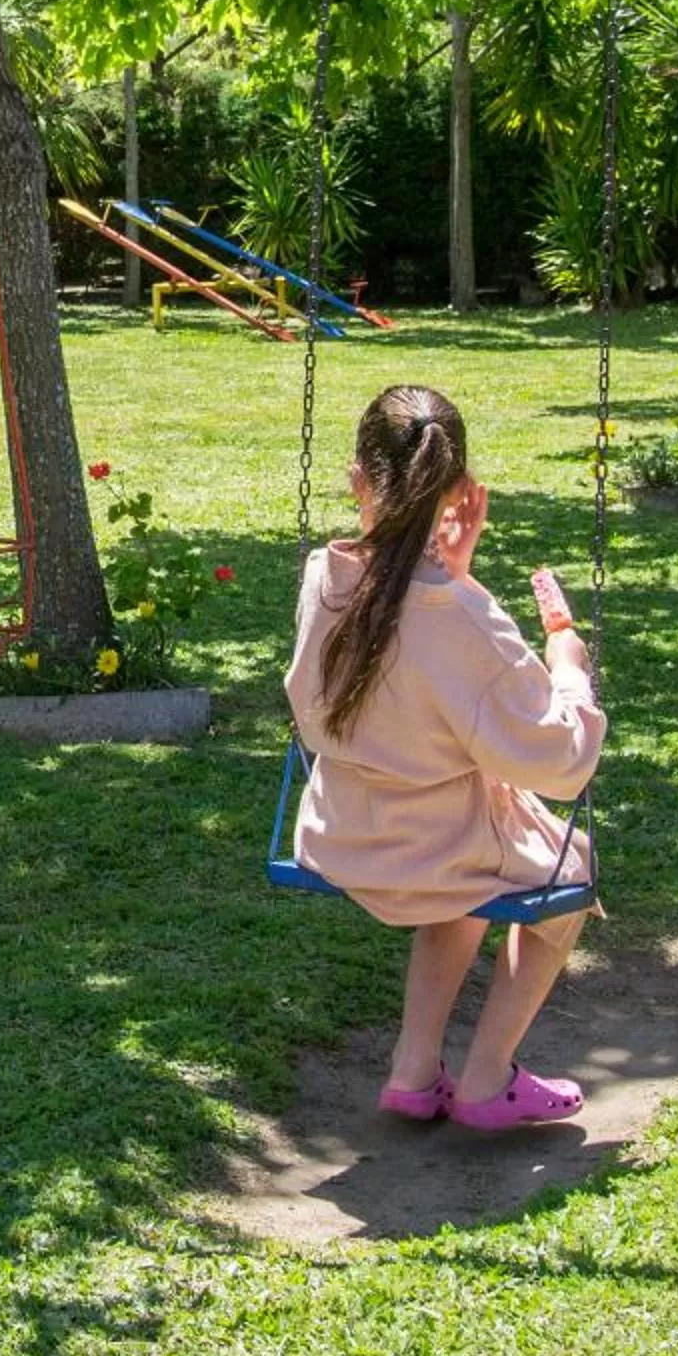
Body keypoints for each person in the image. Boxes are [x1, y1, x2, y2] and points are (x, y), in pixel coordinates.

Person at [287, 385, 606, 1130]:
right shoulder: (463, 616)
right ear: (460, 493)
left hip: (340, 836)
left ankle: (412, 1068)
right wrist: (569, 664)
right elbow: (561, 761)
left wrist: (453, 577)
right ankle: (487, 1079)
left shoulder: (322, 579)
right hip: (437, 845)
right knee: (574, 864)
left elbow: (337, 691)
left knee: (473, 875)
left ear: (358, 482)